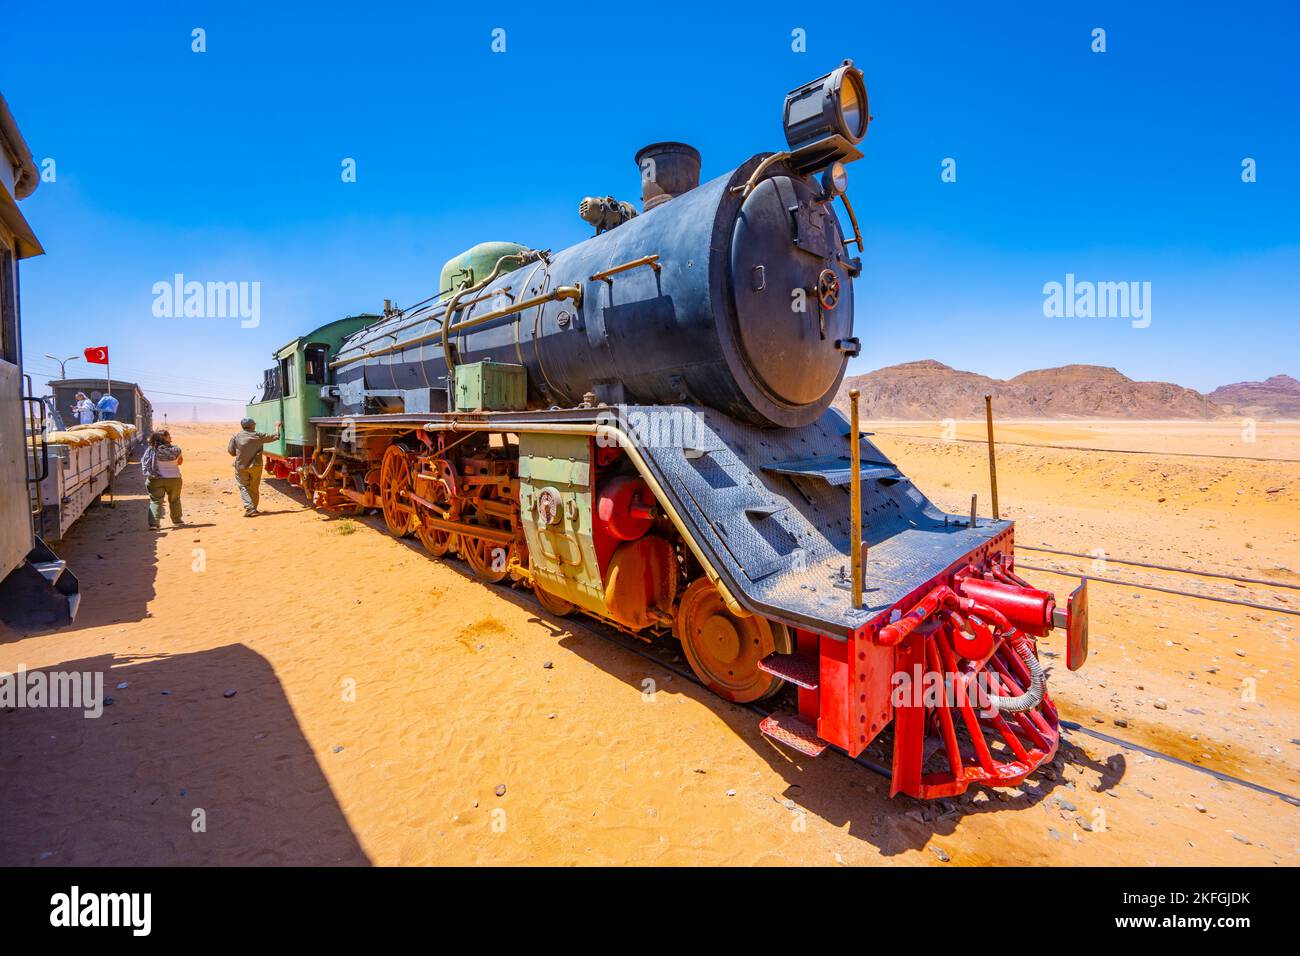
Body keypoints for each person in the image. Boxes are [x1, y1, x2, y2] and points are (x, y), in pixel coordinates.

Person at [227, 418, 282, 517]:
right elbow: (275, 436)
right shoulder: (258, 435)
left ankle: (250, 508)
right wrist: (277, 427)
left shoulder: (236, 436)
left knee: (243, 486)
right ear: (252, 425)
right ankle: (253, 509)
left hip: (241, 466)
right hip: (256, 466)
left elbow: (231, 452)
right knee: (254, 488)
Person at [141, 429, 184, 529]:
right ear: (167, 438)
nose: (171, 438)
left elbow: (144, 463)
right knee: (175, 499)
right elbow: (180, 462)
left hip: (155, 480)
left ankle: (154, 524)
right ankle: (177, 520)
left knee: (155, 501)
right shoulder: (176, 450)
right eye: (169, 436)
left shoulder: (150, 451)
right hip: (174, 479)